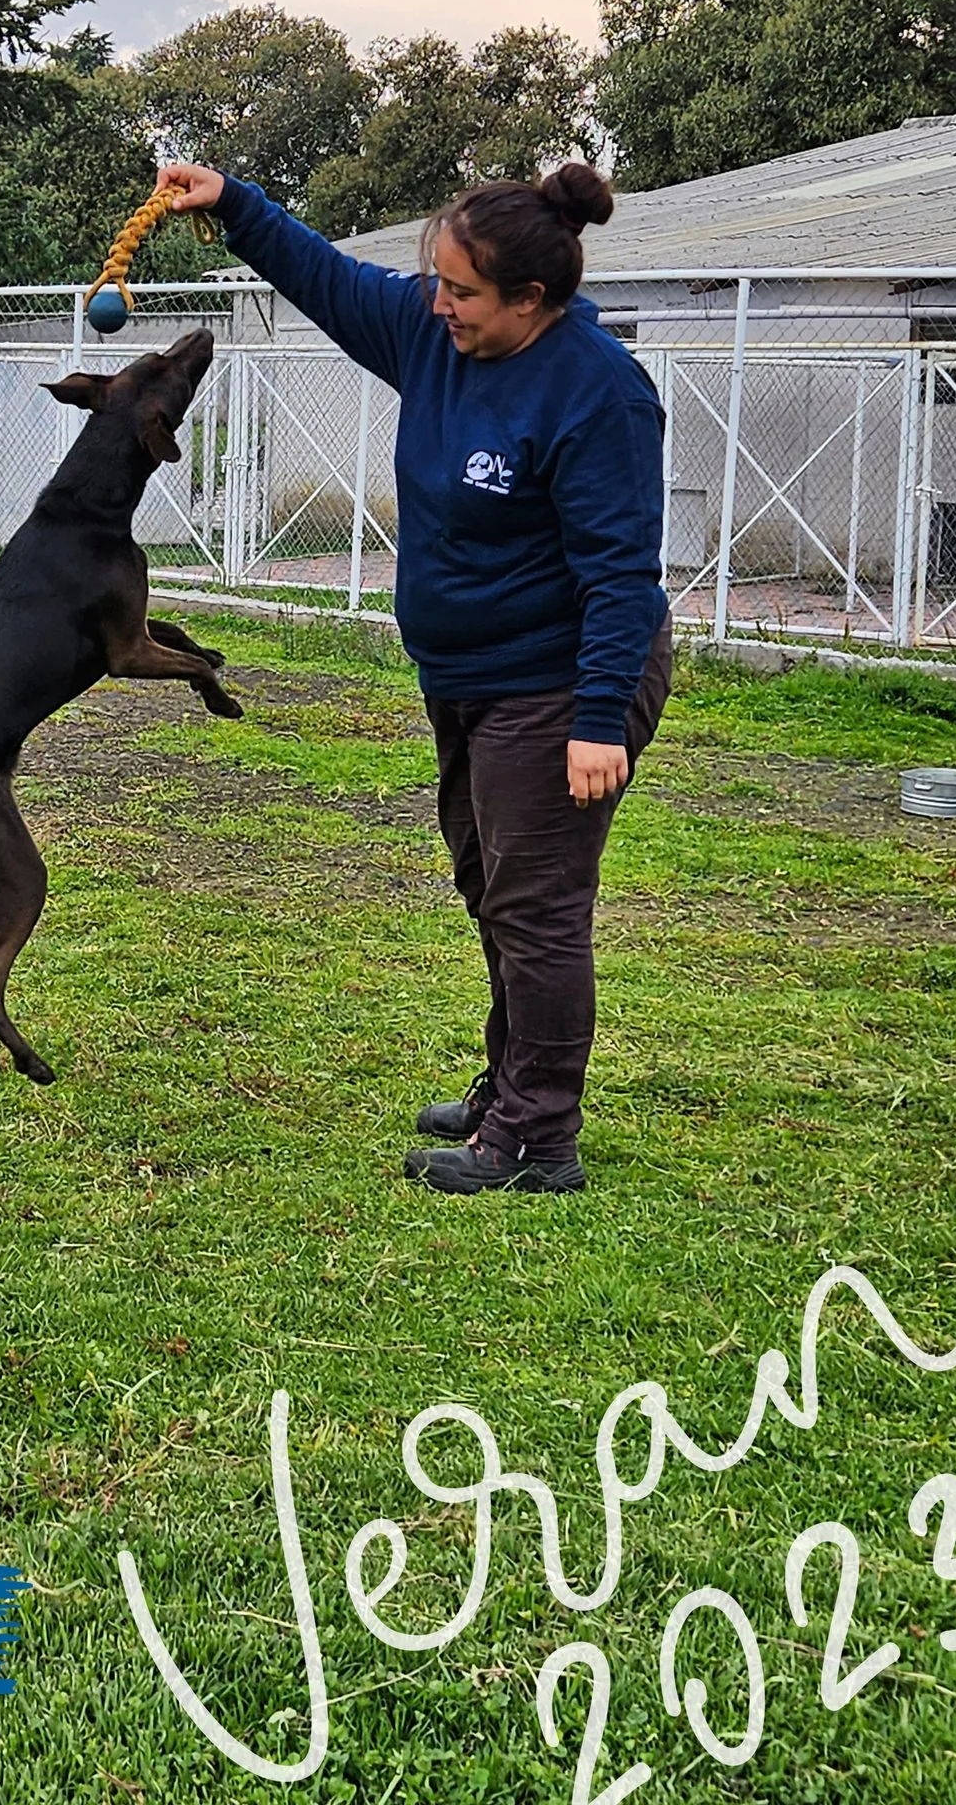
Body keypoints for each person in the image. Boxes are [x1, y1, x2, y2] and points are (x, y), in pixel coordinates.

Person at [157, 158, 671, 1195]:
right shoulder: (431, 335)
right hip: (467, 675)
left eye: (462, 291)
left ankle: (536, 1136)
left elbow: (619, 570)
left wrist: (598, 717)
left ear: (530, 298)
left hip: (560, 683)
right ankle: (508, 1082)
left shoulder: (594, 390)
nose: (437, 303)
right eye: (433, 279)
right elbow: (330, 280)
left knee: (536, 907)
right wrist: (233, 204)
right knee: (491, 888)